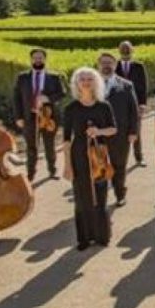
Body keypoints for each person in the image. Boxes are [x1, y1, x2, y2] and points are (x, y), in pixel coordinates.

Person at [62, 67, 117, 251]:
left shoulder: (104, 106)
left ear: (95, 82)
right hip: (78, 156)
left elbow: (113, 129)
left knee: (100, 196)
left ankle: (102, 235)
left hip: (98, 156)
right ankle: (84, 238)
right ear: (77, 84)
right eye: (82, 79)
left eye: (89, 79)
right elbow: (66, 140)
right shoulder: (71, 108)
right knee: (81, 197)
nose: (86, 82)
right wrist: (67, 166)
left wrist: (99, 131)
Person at [13, 48, 66, 181]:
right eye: (35, 58)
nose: (38, 60)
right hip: (29, 117)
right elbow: (16, 98)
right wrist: (18, 117)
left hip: (49, 117)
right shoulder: (22, 77)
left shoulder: (54, 77)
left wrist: (48, 98)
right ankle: (30, 174)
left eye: (40, 58)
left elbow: (62, 93)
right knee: (31, 147)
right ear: (31, 60)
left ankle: (52, 171)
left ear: (45, 59)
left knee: (49, 145)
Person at [98, 52, 140, 207]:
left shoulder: (127, 85)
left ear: (115, 65)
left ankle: (120, 194)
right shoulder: (91, 84)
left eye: (109, 63)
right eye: (104, 63)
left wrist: (133, 132)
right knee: (98, 165)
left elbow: (133, 110)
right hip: (97, 134)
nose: (106, 65)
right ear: (98, 65)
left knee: (119, 166)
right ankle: (100, 197)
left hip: (120, 133)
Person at [116, 40, 148, 166]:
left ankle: (139, 157)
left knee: (136, 131)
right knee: (119, 132)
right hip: (119, 105)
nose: (125, 51)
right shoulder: (115, 66)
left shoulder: (139, 66)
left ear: (132, 50)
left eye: (128, 49)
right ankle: (119, 159)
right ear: (119, 51)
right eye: (123, 49)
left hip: (135, 103)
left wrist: (143, 103)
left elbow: (144, 86)